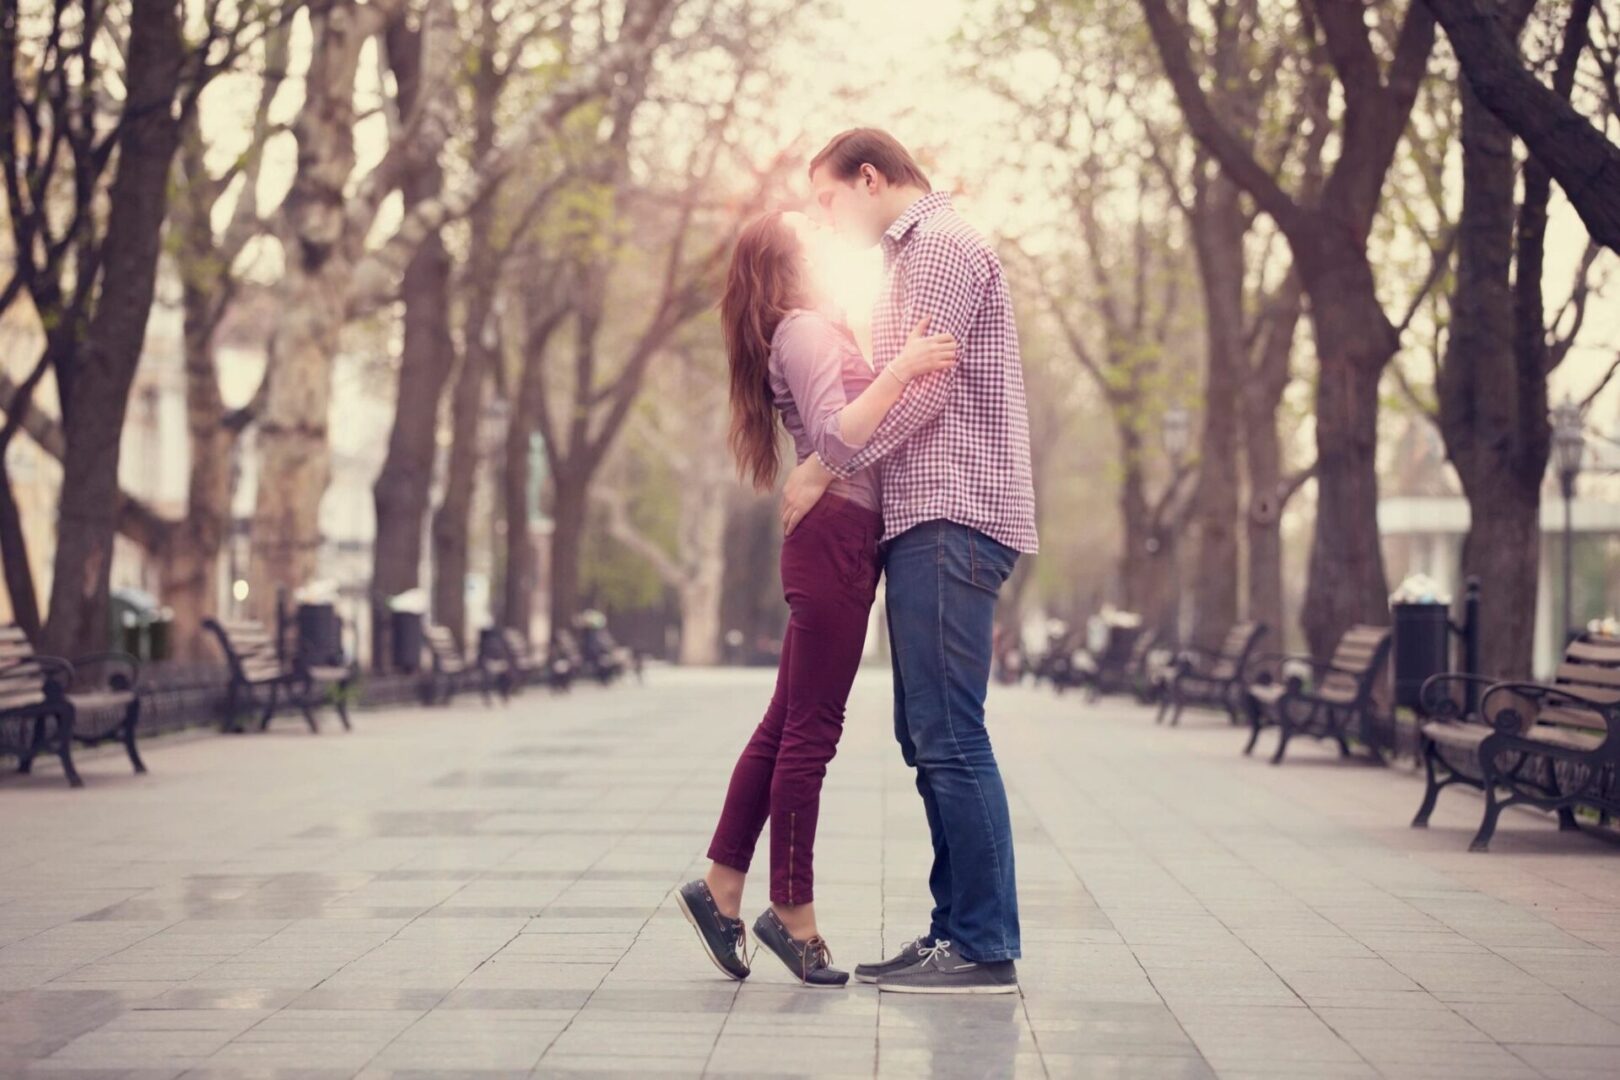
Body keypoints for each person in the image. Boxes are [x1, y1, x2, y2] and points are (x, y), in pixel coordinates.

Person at [780, 128, 1039, 994]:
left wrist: (828, 461)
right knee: (926, 731)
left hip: (954, 516)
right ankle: (953, 932)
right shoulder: (919, 255)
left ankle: (984, 943)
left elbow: (920, 391)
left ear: (866, 177)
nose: (826, 218)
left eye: (827, 199)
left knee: (950, 732)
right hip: (931, 521)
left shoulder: (940, 247)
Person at [675, 209, 959, 988]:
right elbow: (838, 435)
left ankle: (720, 889)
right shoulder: (800, 330)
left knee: (782, 727)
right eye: (811, 234)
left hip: (837, 534)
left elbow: (835, 439)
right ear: (787, 264)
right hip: (833, 538)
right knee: (811, 734)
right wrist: (903, 368)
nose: (828, 238)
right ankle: (791, 914)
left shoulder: (811, 327)